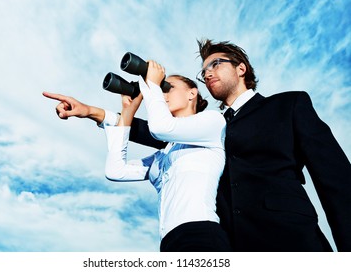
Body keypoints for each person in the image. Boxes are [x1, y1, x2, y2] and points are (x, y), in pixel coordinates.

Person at [126, 40, 351, 252]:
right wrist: (105, 117)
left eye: (215, 64)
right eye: (203, 71)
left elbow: (336, 180)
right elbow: (165, 132)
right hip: (233, 249)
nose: (208, 73)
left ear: (241, 69)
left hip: (292, 241)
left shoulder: (287, 105)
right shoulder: (214, 125)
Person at [43, 61, 231, 252]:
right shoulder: (163, 156)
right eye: (162, 89)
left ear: (192, 93)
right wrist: (127, 112)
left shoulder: (213, 123)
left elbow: (161, 128)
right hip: (169, 242)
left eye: (169, 88)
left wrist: (152, 84)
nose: (163, 94)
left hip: (202, 233)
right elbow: (116, 171)